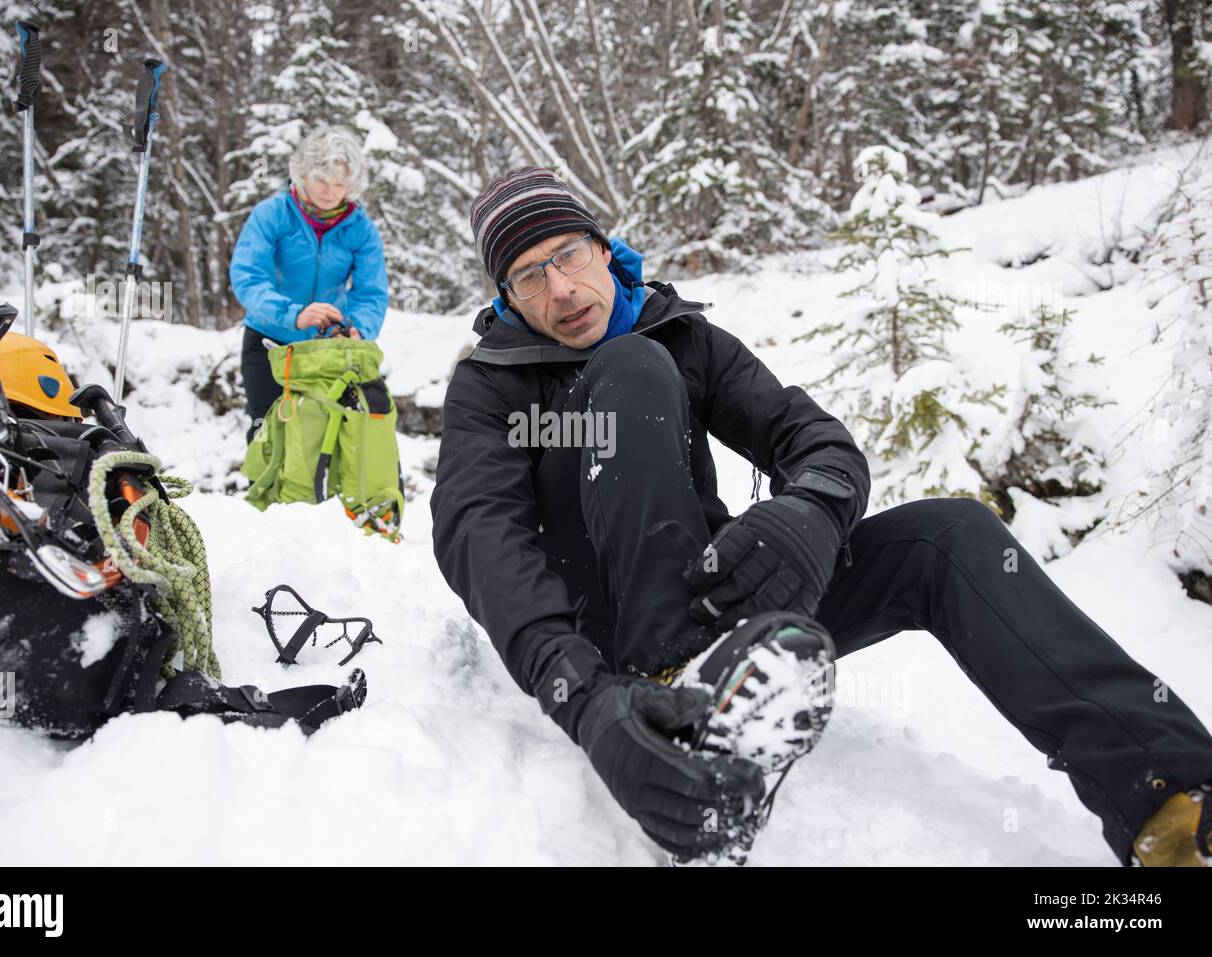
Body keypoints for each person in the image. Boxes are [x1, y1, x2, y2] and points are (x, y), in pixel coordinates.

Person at [429, 165, 1212, 866]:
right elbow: (477, 532)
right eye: (529, 276)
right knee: (630, 366)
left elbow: (815, 439)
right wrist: (581, 693)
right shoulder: (493, 388)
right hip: (607, 649)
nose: (560, 289)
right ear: (506, 298)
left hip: (725, 606)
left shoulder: (684, 334)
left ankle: (1172, 802)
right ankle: (676, 698)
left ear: (603, 250)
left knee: (949, 535)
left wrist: (813, 512)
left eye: (567, 255)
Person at [230, 126, 390, 441]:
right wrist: (294, 314)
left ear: (351, 185)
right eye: (320, 179)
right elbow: (248, 277)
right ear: (303, 174)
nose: (329, 191)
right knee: (267, 435)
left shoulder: (362, 230)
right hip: (269, 341)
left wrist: (359, 328)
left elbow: (371, 292)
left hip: (327, 344)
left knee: (323, 438)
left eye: (339, 183)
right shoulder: (272, 215)